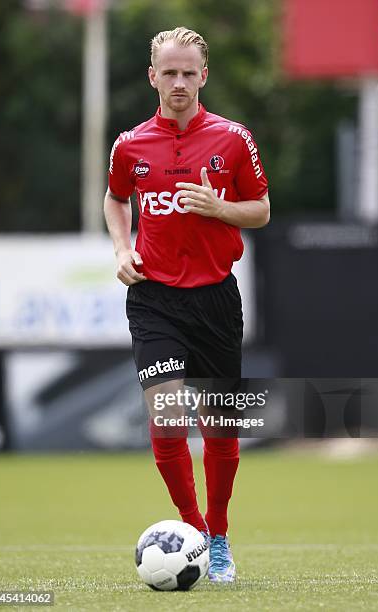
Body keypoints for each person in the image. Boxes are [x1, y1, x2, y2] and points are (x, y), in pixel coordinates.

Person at [104, 26, 270, 583]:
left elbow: (262, 209)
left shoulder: (232, 139)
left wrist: (219, 209)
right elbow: (114, 197)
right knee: (168, 418)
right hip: (153, 299)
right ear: (152, 77)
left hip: (216, 300)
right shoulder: (130, 145)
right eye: (168, 72)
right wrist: (123, 247)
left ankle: (218, 536)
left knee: (221, 429)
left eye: (188, 72)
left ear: (204, 75)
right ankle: (193, 529)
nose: (178, 82)